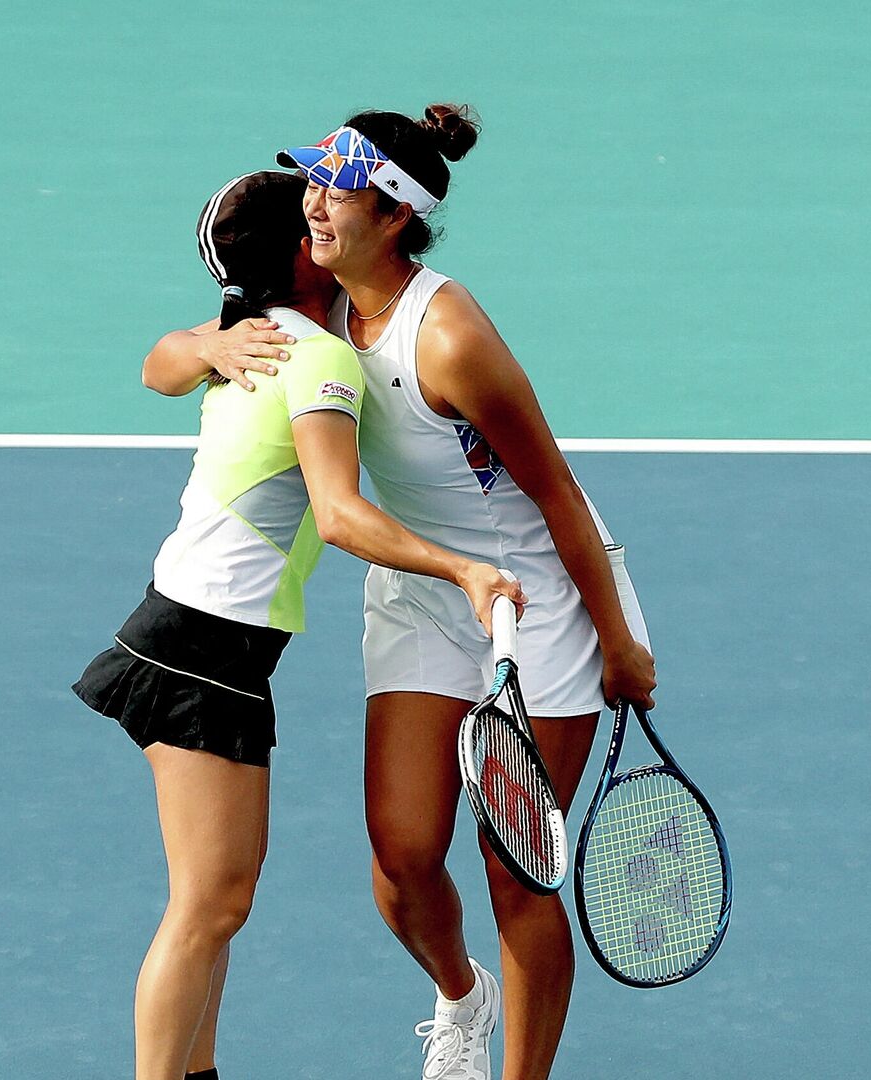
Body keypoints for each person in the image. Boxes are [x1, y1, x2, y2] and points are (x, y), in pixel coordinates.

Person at [73, 170, 523, 1080]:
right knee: (207, 908)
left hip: (194, 639)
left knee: (217, 907)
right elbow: (341, 515)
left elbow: (159, 364)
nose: (329, 221)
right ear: (297, 253)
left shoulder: (248, 339)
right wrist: (464, 565)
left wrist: (204, 340)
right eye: (313, 219)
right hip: (202, 647)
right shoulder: (312, 358)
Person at [276, 107, 658, 1080]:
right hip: (419, 595)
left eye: (338, 188)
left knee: (516, 871)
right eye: (312, 181)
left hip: (535, 609)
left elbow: (557, 492)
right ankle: (461, 995)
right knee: (403, 859)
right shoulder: (313, 298)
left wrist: (617, 638)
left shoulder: (448, 338)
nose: (314, 201)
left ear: (395, 215)